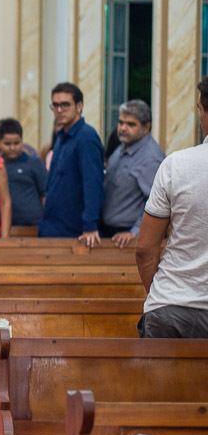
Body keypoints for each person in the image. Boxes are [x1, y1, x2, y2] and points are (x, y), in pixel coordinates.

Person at [135, 76, 208, 338]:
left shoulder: (176, 164)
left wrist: (163, 295)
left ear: (204, 111)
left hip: (172, 304)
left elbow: (145, 248)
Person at [37, 82, 105, 246]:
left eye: (65, 105)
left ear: (79, 106)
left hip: (74, 232)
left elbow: (93, 183)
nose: (59, 110)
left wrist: (90, 225)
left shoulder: (86, 137)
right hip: (52, 227)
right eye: (55, 105)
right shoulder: (62, 136)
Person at [100, 100, 164, 248]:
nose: (123, 128)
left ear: (146, 127)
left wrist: (135, 231)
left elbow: (157, 202)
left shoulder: (151, 158)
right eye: (121, 122)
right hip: (109, 232)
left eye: (130, 124)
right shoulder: (122, 147)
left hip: (128, 238)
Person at [0, 118, 47, 228]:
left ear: (22, 141)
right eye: (7, 144)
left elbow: (45, 194)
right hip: (4, 224)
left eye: (16, 143)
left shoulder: (35, 163)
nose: (12, 148)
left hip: (34, 225)